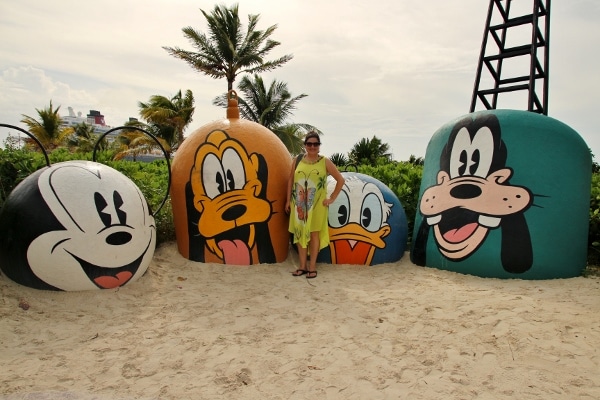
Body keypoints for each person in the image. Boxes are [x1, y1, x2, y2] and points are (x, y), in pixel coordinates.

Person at [285, 132, 345, 279]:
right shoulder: (297, 160)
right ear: (305, 145)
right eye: (309, 144)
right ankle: (302, 266)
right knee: (299, 234)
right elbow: (291, 181)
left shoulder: (325, 161)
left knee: (314, 234)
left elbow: (340, 180)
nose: (312, 146)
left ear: (319, 146)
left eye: (315, 144)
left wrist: (331, 198)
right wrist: (288, 201)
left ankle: (312, 267)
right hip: (299, 203)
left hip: (317, 205)